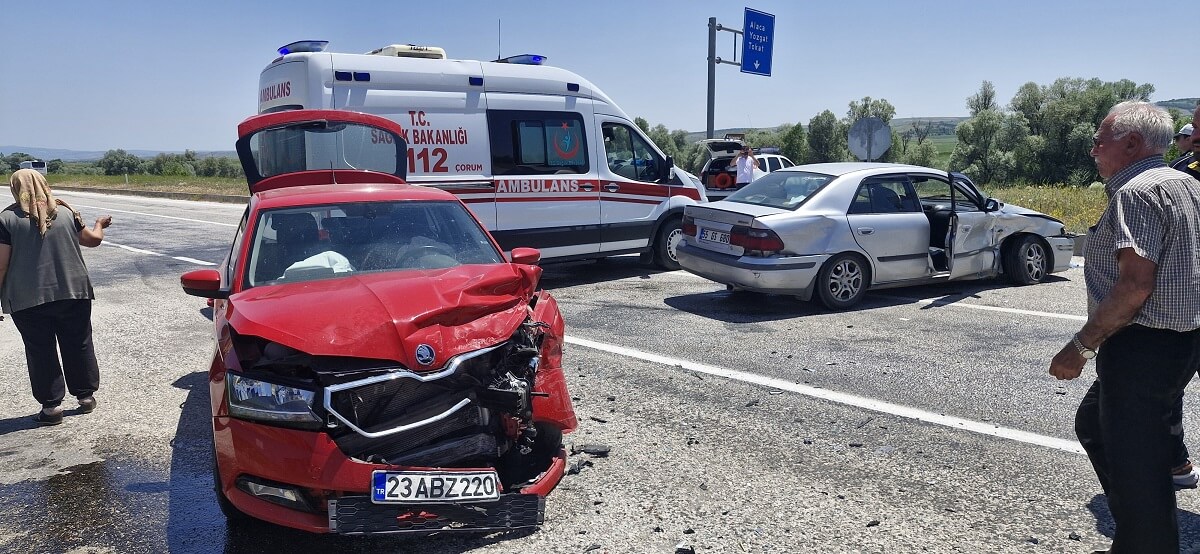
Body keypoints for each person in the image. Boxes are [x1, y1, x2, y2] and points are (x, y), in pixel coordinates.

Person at [1049, 101, 1200, 553]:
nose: (1093, 150)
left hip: (1141, 347)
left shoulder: (1135, 193)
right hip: (1184, 341)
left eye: (1099, 141)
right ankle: (1141, 522)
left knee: (1139, 467)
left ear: (1131, 144)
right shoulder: (1188, 183)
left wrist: (1080, 347)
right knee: (1094, 422)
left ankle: (1145, 537)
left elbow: (1134, 286)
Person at [0, 169, 112, 426]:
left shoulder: (6, 220)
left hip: (28, 299)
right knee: (79, 342)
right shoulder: (65, 212)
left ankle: (51, 408)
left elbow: (1, 265)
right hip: (73, 292)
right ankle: (85, 397)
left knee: (40, 350)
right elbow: (93, 240)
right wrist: (99, 224)